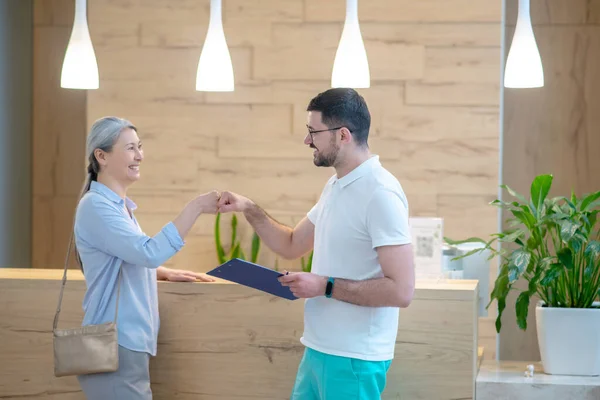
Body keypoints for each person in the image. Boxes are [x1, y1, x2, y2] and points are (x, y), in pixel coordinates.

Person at [217, 87, 415, 400]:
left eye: (314, 131)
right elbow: (293, 244)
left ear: (343, 135)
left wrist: (325, 285)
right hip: (318, 349)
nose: (307, 140)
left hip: (354, 359)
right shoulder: (336, 186)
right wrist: (249, 209)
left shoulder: (381, 194)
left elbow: (401, 291)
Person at [73, 116, 219, 400]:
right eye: (130, 148)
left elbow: (127, 258)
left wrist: (161, 272)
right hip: (114, 345)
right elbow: (148, 252)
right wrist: (196, 207)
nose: (139, 155)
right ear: (101, 156)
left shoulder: (120, 208)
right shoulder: (96, 206)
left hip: (127, 345)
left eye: (139, 147)